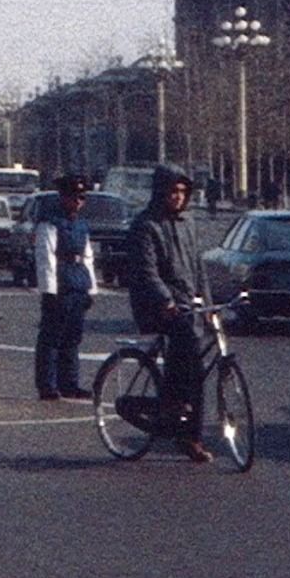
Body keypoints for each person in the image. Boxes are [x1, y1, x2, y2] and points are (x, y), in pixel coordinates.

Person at [123, 165, 212, 460]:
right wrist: (166, 300)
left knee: (196, 369)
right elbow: (147, 273)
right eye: (172, 191)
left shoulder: (188, 223)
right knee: (185, 342)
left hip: (186, 304)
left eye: (182, 192)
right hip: (155, 305)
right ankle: (173, 406)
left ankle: (192, 437)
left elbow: (198, 268)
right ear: (160, 192)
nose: (177, 197)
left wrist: (208, 305)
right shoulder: (146, 225)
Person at [29, 174, 97, 401]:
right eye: (73, 196)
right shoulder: (50, 222)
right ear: (63, 197)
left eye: (81, 197)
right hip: (60, 282)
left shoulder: (81, 224)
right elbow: (46, 257)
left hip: (78, 281)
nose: (78, 201)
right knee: (52, 337)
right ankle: (47, 384)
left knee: (73, 337)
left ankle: (70, 383)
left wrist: (91, 289)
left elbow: (87, 256)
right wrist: (49, 291)